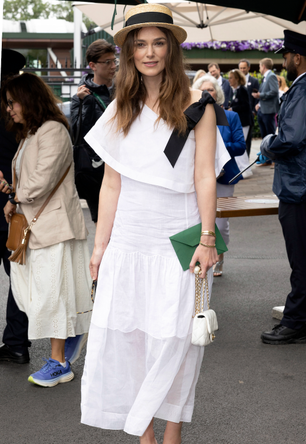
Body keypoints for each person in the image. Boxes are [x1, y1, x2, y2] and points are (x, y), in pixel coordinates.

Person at [80, 4, 229, 442]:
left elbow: (205, 175)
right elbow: (110, 184)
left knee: (176, 340)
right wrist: (99, 247)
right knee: (132, 338)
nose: (149, 52)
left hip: (179, 237)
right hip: (129, 236)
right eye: (140, 44)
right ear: (128, 52)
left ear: (171, 49)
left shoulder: (195, 105)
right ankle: (144, 434)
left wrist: (207, 238)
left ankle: (172, 434)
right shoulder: (117, 108)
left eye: (158, 43)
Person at [2, 73, 92, 386]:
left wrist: (15, 195)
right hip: (40, 226)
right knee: (37, 294)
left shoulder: (52, 130)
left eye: (12, 102)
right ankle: (65, 345)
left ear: (29, 99)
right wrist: (11, 189)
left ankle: (59, 361)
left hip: (53, 226)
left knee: (51, 296)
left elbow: (42, 181)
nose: (9, 109)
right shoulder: (32, 132)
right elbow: (33, 179)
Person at [259, 30, 306, 345]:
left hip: (300, 184)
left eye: (285, 56)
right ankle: (296, 319)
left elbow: (290, 138)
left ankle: (295, 323)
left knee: (302, 257)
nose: (284, 62)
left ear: (297, 57)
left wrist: (268, 143)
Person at [193, 75, 246, 277]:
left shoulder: (231, 117)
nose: (208, 93)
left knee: (221, 224)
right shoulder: (193, 115)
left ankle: (220, 255)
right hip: (199, 177)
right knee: (201, 221)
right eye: (204, 90)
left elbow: (241, 146)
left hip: (225, 177)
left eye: (212, 89)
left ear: (218, 93)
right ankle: (202, 255)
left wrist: (217, 148)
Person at [0, 49, 31, 364]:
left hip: (12, 201)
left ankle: (16, 343)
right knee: (18, 278)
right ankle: (17, 342)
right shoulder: (19, 114)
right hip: (16, 206)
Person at [71, 39, 117, 224]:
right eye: (108, 62)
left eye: (114, 61)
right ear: (93, 66)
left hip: (121, 164)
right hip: (95, 170)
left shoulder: (121, 89)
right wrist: (85, 103)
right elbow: (77, 133)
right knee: (103, 222)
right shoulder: (82, 96)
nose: (113, 66)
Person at [252, 58, 279, 166]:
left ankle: (273, 159)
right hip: (263, 110)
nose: (259, 68)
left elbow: (274, 91)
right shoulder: (266, 77)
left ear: (263, 66)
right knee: (264, 137)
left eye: (259, 66)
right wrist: (259, 104)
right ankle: (267, 159)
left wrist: (260, 95)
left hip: (269, 111)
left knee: (270, 136)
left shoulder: (271, 76)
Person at [228, 69, 253, 178]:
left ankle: (245, 169)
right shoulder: (235, 90)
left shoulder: (242, 90)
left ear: (237, 79)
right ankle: (242, 168)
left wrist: (232, 108)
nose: (229, 80)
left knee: (240, 145)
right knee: (239, 144)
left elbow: (246, 106)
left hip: (244, 122)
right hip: (239, 123)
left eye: (231, 78)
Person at [238, 59, 260, 156]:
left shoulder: (254, 81)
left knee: (247, 138)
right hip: (237, 114)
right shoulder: (236, 81)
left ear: (248, 68)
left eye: (244, 68)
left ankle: (246, 159)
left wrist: (254, 110)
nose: (242, 70)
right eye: (240, 68)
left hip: (249, 115)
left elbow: (257, 96)